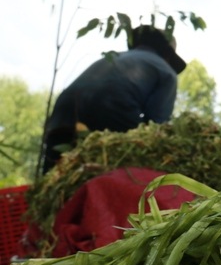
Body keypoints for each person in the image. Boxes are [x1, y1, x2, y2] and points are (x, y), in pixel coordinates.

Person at [42, 26, 186, 171]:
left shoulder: (113, 57)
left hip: (62, 111)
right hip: (112, 107)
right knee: (138, 163)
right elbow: (157, 126)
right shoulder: (166, 72)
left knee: (53, 174)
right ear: (168, 55)